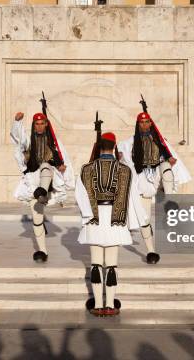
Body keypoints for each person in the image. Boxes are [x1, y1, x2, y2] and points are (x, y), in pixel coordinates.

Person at [77, 132, 147, 317]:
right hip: (115, 219)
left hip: (95, 219)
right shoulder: (125, 170)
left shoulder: (86, 168)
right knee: (112, 266)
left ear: (99, 147)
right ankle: (110, 305)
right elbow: (130, 197)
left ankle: (98, 305)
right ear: (115, 146)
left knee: (96, 264)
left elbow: (80, 195)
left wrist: (88, 215)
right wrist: (129, 223)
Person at [118, 112, 191, 264]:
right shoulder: (129, 143)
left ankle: (170, 201)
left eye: (147, 122)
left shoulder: (161, 142)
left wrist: (170, 160)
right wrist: (119, 157)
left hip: (156, 176)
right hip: (140, 181)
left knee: (165, 165)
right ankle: (151, 251)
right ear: (138, 125)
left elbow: (171, 161)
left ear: (151, 124)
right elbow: (121, 155)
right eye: (141, 123)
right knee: (144, 218)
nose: (144, 125)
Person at [10, 111, 74, 263]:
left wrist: (63, 169)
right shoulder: (29, 141)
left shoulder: (54, 141)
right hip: (33, 182)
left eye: (42, 124)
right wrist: (17, 122)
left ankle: (43, 191)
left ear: (46, 124)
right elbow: (18, 139)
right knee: (37, 220)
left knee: (45, 165)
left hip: (49, 181)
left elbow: (65, 159)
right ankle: (42, 250)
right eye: (36, 124)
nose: (39, 127)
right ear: (34, 125)